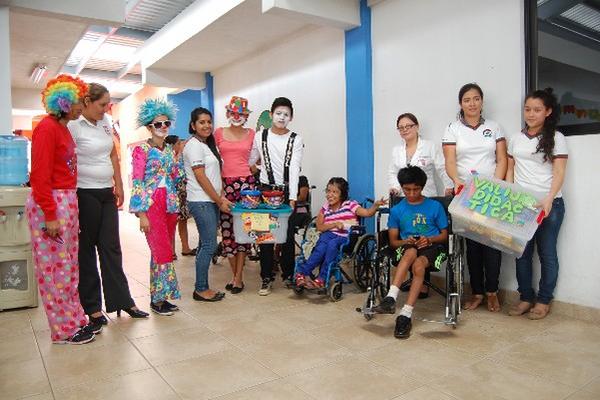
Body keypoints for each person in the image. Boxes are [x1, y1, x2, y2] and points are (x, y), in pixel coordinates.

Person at [69, 83, 148, 324]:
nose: (105, 109)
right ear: (87, 102)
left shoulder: (105, 122)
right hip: (84, 193)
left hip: (106, 192)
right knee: (87, 249)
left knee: (111, 247)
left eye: (107, 105)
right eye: (101, 104)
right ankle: (92, 306)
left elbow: (113, 153)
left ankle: (122, 300)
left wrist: (119, 185)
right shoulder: (73, 126)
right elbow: (67, 160)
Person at [26, 74, 96, 344]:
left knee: (68, 268)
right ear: (64, 101)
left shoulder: (64, 128)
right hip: (51, 203)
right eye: (79, 101)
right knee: (55, 270)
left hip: (66, 200)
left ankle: (74, 319)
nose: (82, 105)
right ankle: (63, 330)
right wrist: (50, 214)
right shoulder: (46, 128)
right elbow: (40, 175)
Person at [442, 83, 507, 312]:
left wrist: (494, 186)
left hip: (490, 194)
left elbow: (501, 159)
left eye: (476, 98)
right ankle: (477, 292)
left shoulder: (494, 127)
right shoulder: (453, 129)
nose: (472, 103)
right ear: (461, 103)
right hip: (466, 194)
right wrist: (457, 182)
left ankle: (492, 292)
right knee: (473, 246)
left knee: (493, 245)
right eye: (467, 99)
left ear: (482, 101)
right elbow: (450, 161)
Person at [506, 88, 567, 320]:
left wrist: (549, 198)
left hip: (549, 205)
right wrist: (511, 195)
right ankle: (525, 297)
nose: (531, 114)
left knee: (547, 254)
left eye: (537, 110)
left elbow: (560, 172)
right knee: (521, 253)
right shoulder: (516, 138)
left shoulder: (557, 138)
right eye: (527, 109)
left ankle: (543, 300)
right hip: (522, 206)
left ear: (548, 112)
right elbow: (511, 169)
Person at [373, 166, 449, 339]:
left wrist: (429, 240)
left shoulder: (435, 206)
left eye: (416, 189)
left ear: (422, 187)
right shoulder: (397, 210)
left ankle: (405, 314)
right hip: (408, 246)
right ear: (401, 187)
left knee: (419, 265)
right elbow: (393, 242)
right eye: (407, 189)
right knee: (410, 254)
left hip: (432, 246)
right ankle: (391, 298)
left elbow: (444, 235)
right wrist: (405, 241)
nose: (412, 193)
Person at [388, 112, 452, 299]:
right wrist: (394, 187)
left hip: (427, 196)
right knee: (409, 236)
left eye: (408, 126)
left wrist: (448, 186)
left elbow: (441, 167)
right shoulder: (396, 150)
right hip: (404, 197)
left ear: (416, 126)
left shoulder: (430, 146)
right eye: (401, 127)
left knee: (425, 233)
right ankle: (411, 284)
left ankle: (422, 285)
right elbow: (392, 171)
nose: (405, 130)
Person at [130, 98, 182, 316]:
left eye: (166, 123)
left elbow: (175, 176)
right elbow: (138, 181)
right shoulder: (140, 150)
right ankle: (157, 300)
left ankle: (161, 297)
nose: (163, 127)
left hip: (169, 203)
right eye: (158, 124)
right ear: (149, 126)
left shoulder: (169, 149)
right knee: (160, 250)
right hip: (151, 204)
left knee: (165, 251)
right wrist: (141, 214)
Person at [249, 97, 304, 296]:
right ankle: (266, 277)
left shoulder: (296, 139)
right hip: (265, 190)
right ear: (271, 115)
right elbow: (251, 159)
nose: (282, 117)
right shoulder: (260, 136)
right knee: (265, 236)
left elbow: (295, 169)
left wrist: (292, 197)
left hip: (287, 192)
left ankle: (288, 275)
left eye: (286, 114)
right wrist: (256, 169)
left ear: (291, 117)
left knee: (287, 235)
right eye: (278, 113)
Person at [295, 177, 384, 289]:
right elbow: (319, 227)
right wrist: (334, 224)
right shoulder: (325, 208)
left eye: (335, 192)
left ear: (342, 194)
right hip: (328, 234)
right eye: (328, 191)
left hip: (346, 237)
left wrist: (375, 206)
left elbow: (367, 213)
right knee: (320, 247)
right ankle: (302, 273)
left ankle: (322, 278)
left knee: (332, 244)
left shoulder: (349, 204)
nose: (330, 195)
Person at [183, 107, 230, 302]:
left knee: (205, 244)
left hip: (209, 200)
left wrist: (221, 197)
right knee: (210, 245)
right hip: (201, 201)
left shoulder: (207, 145)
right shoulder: (194, 145)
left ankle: (202, 286)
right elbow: (200, 176)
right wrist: (219, 201)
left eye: (209, 122)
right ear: (193, 125)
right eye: (201, 122)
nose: (206, 125)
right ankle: (201, 288)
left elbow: (213, 176)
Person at [215, 96, 256, 294]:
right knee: (228, 232)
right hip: (225, 186)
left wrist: (253, 170)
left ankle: (238, 278)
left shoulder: (252, 134)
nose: (236, 116)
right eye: (233, 112)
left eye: (241, 113)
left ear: (246, 116)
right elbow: (212, 159)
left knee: (244, 231)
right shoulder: (218, 133)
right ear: (227, 113)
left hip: (247, 185)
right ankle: (236, 276)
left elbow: (258, 158)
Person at [164, 134, 196, 258]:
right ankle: (171, 251)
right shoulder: (167, 157)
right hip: (172, 192)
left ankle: (185, 247)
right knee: (171, 222)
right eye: (178, 143)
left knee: (183, 220)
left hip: (183, 191)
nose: (180, 145)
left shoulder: (182, 157)